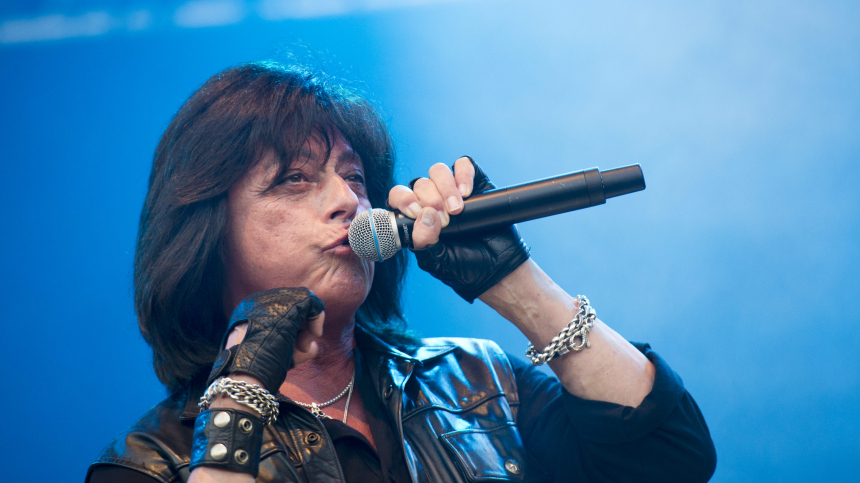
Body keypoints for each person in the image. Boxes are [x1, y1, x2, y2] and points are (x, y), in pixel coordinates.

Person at [86, 61, 716, 483]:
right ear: (207, 232)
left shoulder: (480, 381)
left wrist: (517, 282)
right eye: (295, 179)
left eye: (355, 177)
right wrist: (242, 395)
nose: (347, 200)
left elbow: (671, 459)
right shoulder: (152, 460)